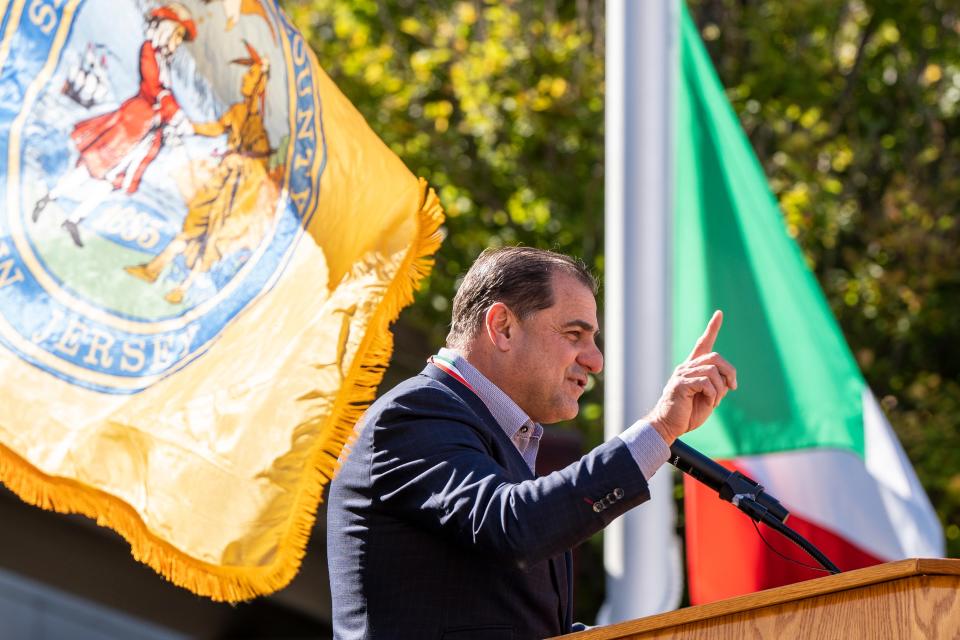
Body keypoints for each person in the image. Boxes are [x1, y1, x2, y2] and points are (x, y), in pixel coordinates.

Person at [326, 246, 737, 639]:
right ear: (502, 327)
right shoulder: (412, 415)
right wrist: (660, 429)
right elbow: (515, 526)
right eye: (575, 334)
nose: (595, 360)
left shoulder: (497, 436)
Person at [32, 3, 197, 247]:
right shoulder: (149, 51)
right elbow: (155, 89)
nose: (176, 44)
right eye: (177, 36)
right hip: (134, 123)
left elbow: (164, 92)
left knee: (113, 180)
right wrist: (175, 114)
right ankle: (48, 197)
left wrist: (172, 120)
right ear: (165, 28)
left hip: (149, 133)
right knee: (96, 164)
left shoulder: (164, 61)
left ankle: (74, 219)